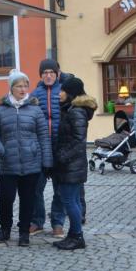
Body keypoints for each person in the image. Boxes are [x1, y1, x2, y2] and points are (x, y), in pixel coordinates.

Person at [0, 69, 52, 247]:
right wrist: (2, 150)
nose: (23, 89)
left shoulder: (35, 109)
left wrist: (46, 162)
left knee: (28, 200)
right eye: (19, 85)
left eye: (26, 85)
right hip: (7, 164)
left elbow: (43, 136)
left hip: (30, 163)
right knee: (5, 199)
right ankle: (5, 229)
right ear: (11, 88)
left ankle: (24, 232)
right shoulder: (1, 110)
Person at [52, 77, 97, 251]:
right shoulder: (71, 109)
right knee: (73, 200)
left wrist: (60, 157)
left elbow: (78, 141)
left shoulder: (76, 111)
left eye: (62, 90)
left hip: (71, 164)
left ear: (71, 93)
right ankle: (73, 234)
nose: (59, 93)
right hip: (71, 164)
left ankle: (77, 236)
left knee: (70, 201)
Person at [29, 59, 74, 237]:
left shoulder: (64, 92)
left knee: (60, 188)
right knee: (35, 187)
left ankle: (58, 222)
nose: (48, 76)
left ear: (57, 74)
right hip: (40, 147)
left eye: (51, 73)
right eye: (45, 73)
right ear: (41, 75)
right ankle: (37, 221)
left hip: (59, 147)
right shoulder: (35, 94)